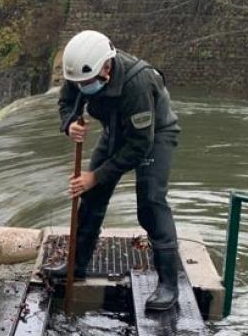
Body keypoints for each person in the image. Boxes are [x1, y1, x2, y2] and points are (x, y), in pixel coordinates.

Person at [46, 30, 182, 311]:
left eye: (88, 82)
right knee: (92, 197)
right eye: (78, 83)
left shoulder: (137, 83)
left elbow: (138, 147)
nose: (82, 87)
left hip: (153, 136)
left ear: (106, 68)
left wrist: (94, 175)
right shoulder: (79, 73)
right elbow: (66, 102)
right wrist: (69, 124)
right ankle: (77, 264)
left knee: (151, 203)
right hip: (115, 130)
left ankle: (168, 284)